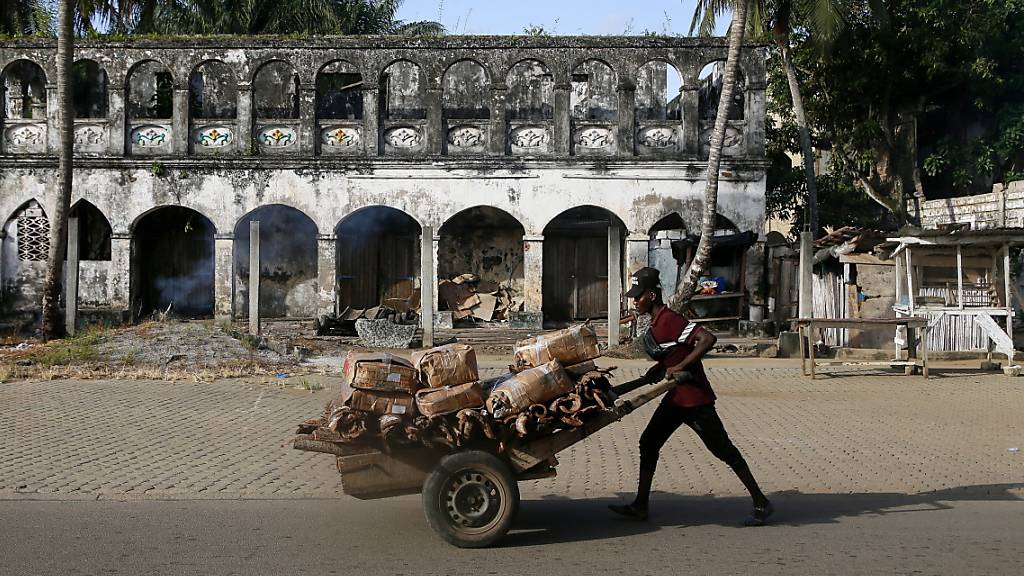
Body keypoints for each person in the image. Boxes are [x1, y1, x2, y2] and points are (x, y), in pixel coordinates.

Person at [609, 267, 773, 526]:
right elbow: (674, 350)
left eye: (638, 296)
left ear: (651, 295)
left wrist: (680, 366)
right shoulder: (656, 322)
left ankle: (761, 502)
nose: (634, 301)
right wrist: (661, 367)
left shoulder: (670, 319)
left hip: (695, 400)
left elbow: (707, 339)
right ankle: (640, 505)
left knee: (723, 450)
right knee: (649, 442)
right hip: (676, 399)